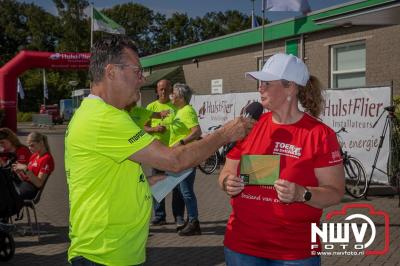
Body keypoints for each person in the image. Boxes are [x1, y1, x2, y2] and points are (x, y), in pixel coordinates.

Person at [65, 35, 254, 266]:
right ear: (111, 72)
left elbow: (103, 175)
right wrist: (225, 134)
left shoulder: (98, 112)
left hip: (109, 252)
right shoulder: (104, 117)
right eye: (137, 71)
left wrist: (143, 183)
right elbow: (175, 160)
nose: (142, 78)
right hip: (104, 255)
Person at [219, 53, 345, 266]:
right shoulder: (249, 126)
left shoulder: (320, 134)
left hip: (295, 252)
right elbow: (225, 174)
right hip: (242, 247)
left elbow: (334, 193)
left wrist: (301, 193)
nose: (260, 88)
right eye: (260, 83)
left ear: (291, 87)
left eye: (267, 83)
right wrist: (227, 182)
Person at [169, 83, 202, 236]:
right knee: (184, 190)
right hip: (180, 156)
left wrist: (181, 142)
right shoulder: (180, 111)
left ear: (181, 97)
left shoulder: (187, 111)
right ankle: (191, 221)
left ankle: (194, 222)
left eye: (173, 94)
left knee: (186, 191)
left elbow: (196, 132)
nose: (171, 96)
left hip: (186, 156)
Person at [144, 79, 177, 226]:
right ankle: (159, 215)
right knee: (159, 185)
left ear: (171, 90)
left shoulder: (176, 107)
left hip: (173, 152)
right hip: (156, 153)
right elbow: (143, 127)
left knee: (176, 185)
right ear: (157, 91)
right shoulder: (151, 107)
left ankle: (178, 216)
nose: (163, 92)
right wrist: (154, 129)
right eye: (161, 89)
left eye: (166, 89)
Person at [12, 132, 54, 200]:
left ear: (41, 143)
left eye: (32, 145)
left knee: (6, 194)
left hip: (30, 188)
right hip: (24, 184)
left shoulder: (47, 159)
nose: (29, 148)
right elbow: (26, 177)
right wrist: (19, 172)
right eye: (28, 146)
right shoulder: (34, 156)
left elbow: (39, 183)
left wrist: (25, 169)